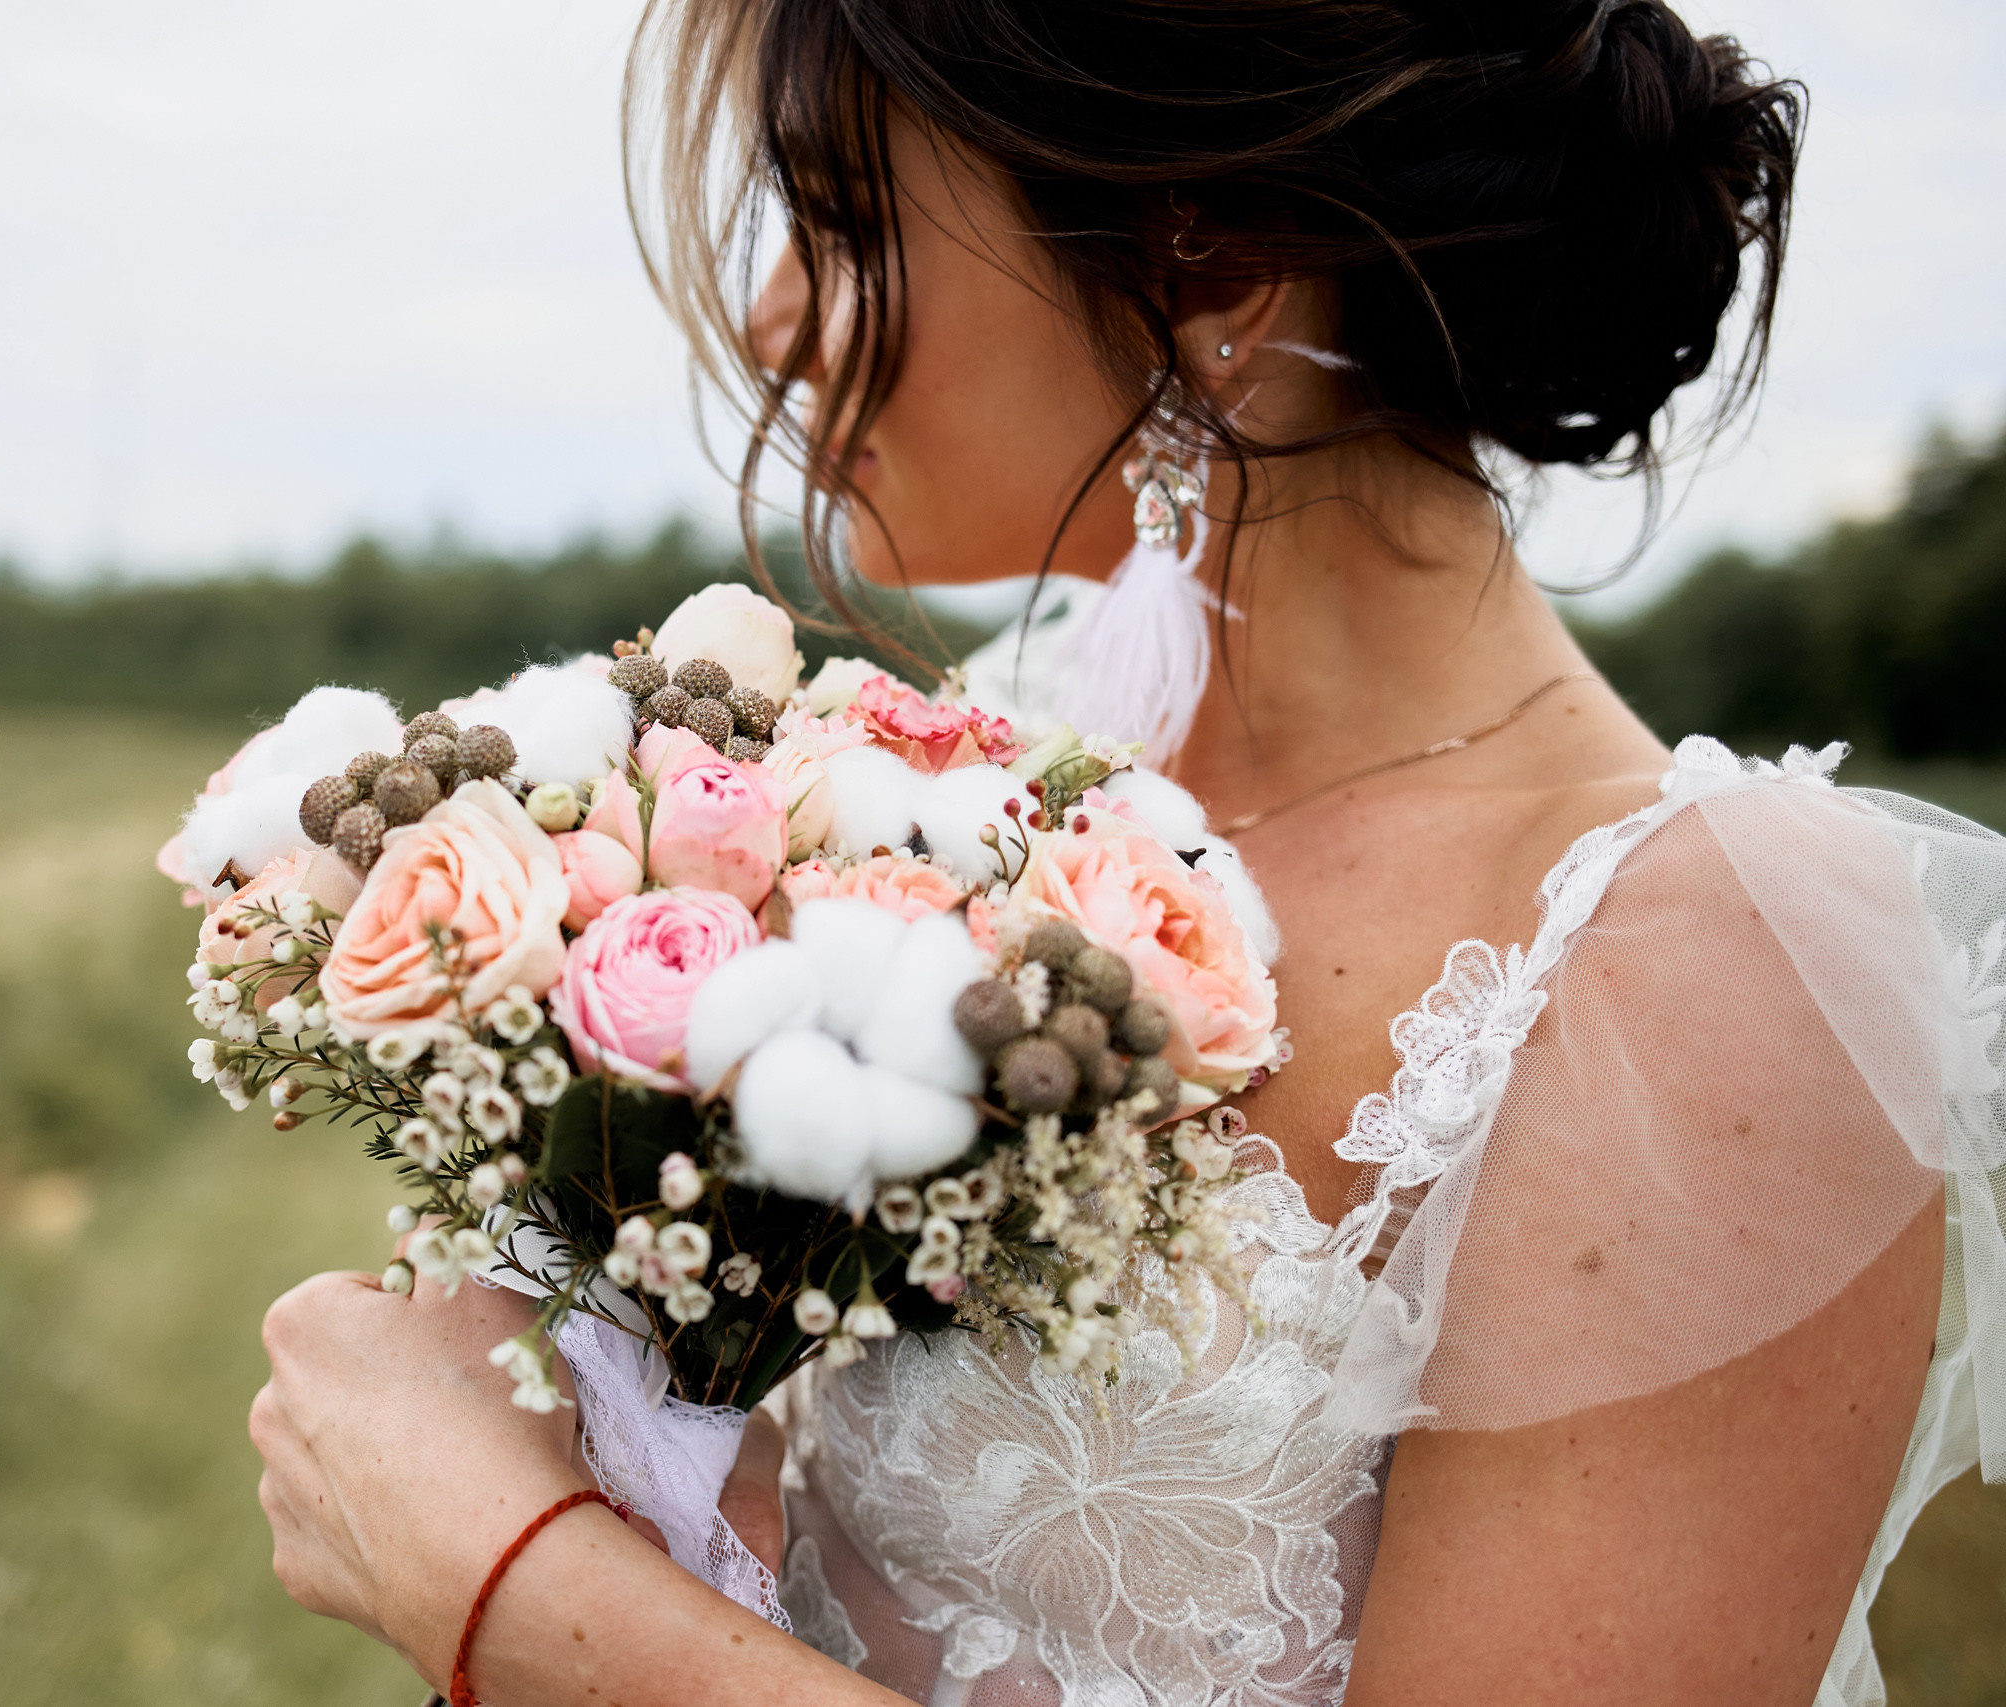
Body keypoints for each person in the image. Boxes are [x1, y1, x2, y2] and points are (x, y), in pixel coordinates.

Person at [247, 2, 2006, 1702]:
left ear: (1215, 262)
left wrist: (504, 1576)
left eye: (850, 221)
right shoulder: (970, 780)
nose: (782, 316)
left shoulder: (1715, 962)